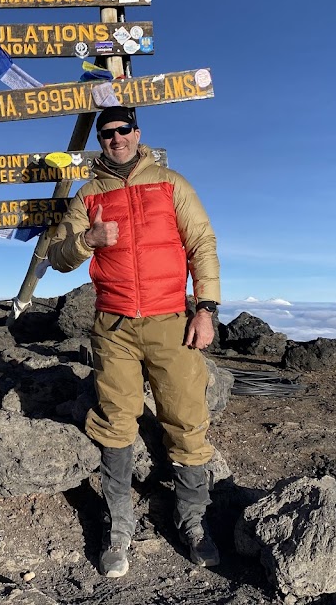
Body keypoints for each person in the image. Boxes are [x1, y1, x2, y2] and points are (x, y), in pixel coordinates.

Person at [47, 105, 222, 578]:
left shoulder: (170, 183)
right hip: (114, 327)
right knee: (115, 422)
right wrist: (89, 241)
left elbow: (202, 243)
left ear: (137, 134)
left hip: (171, 321)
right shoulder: (89, 195)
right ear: (100, 141)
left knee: (186, 418)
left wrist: (205, 308)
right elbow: (59, 257)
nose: (116, 138)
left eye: (123, 129)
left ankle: (193, 522)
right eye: (107, 133)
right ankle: (119, 528)